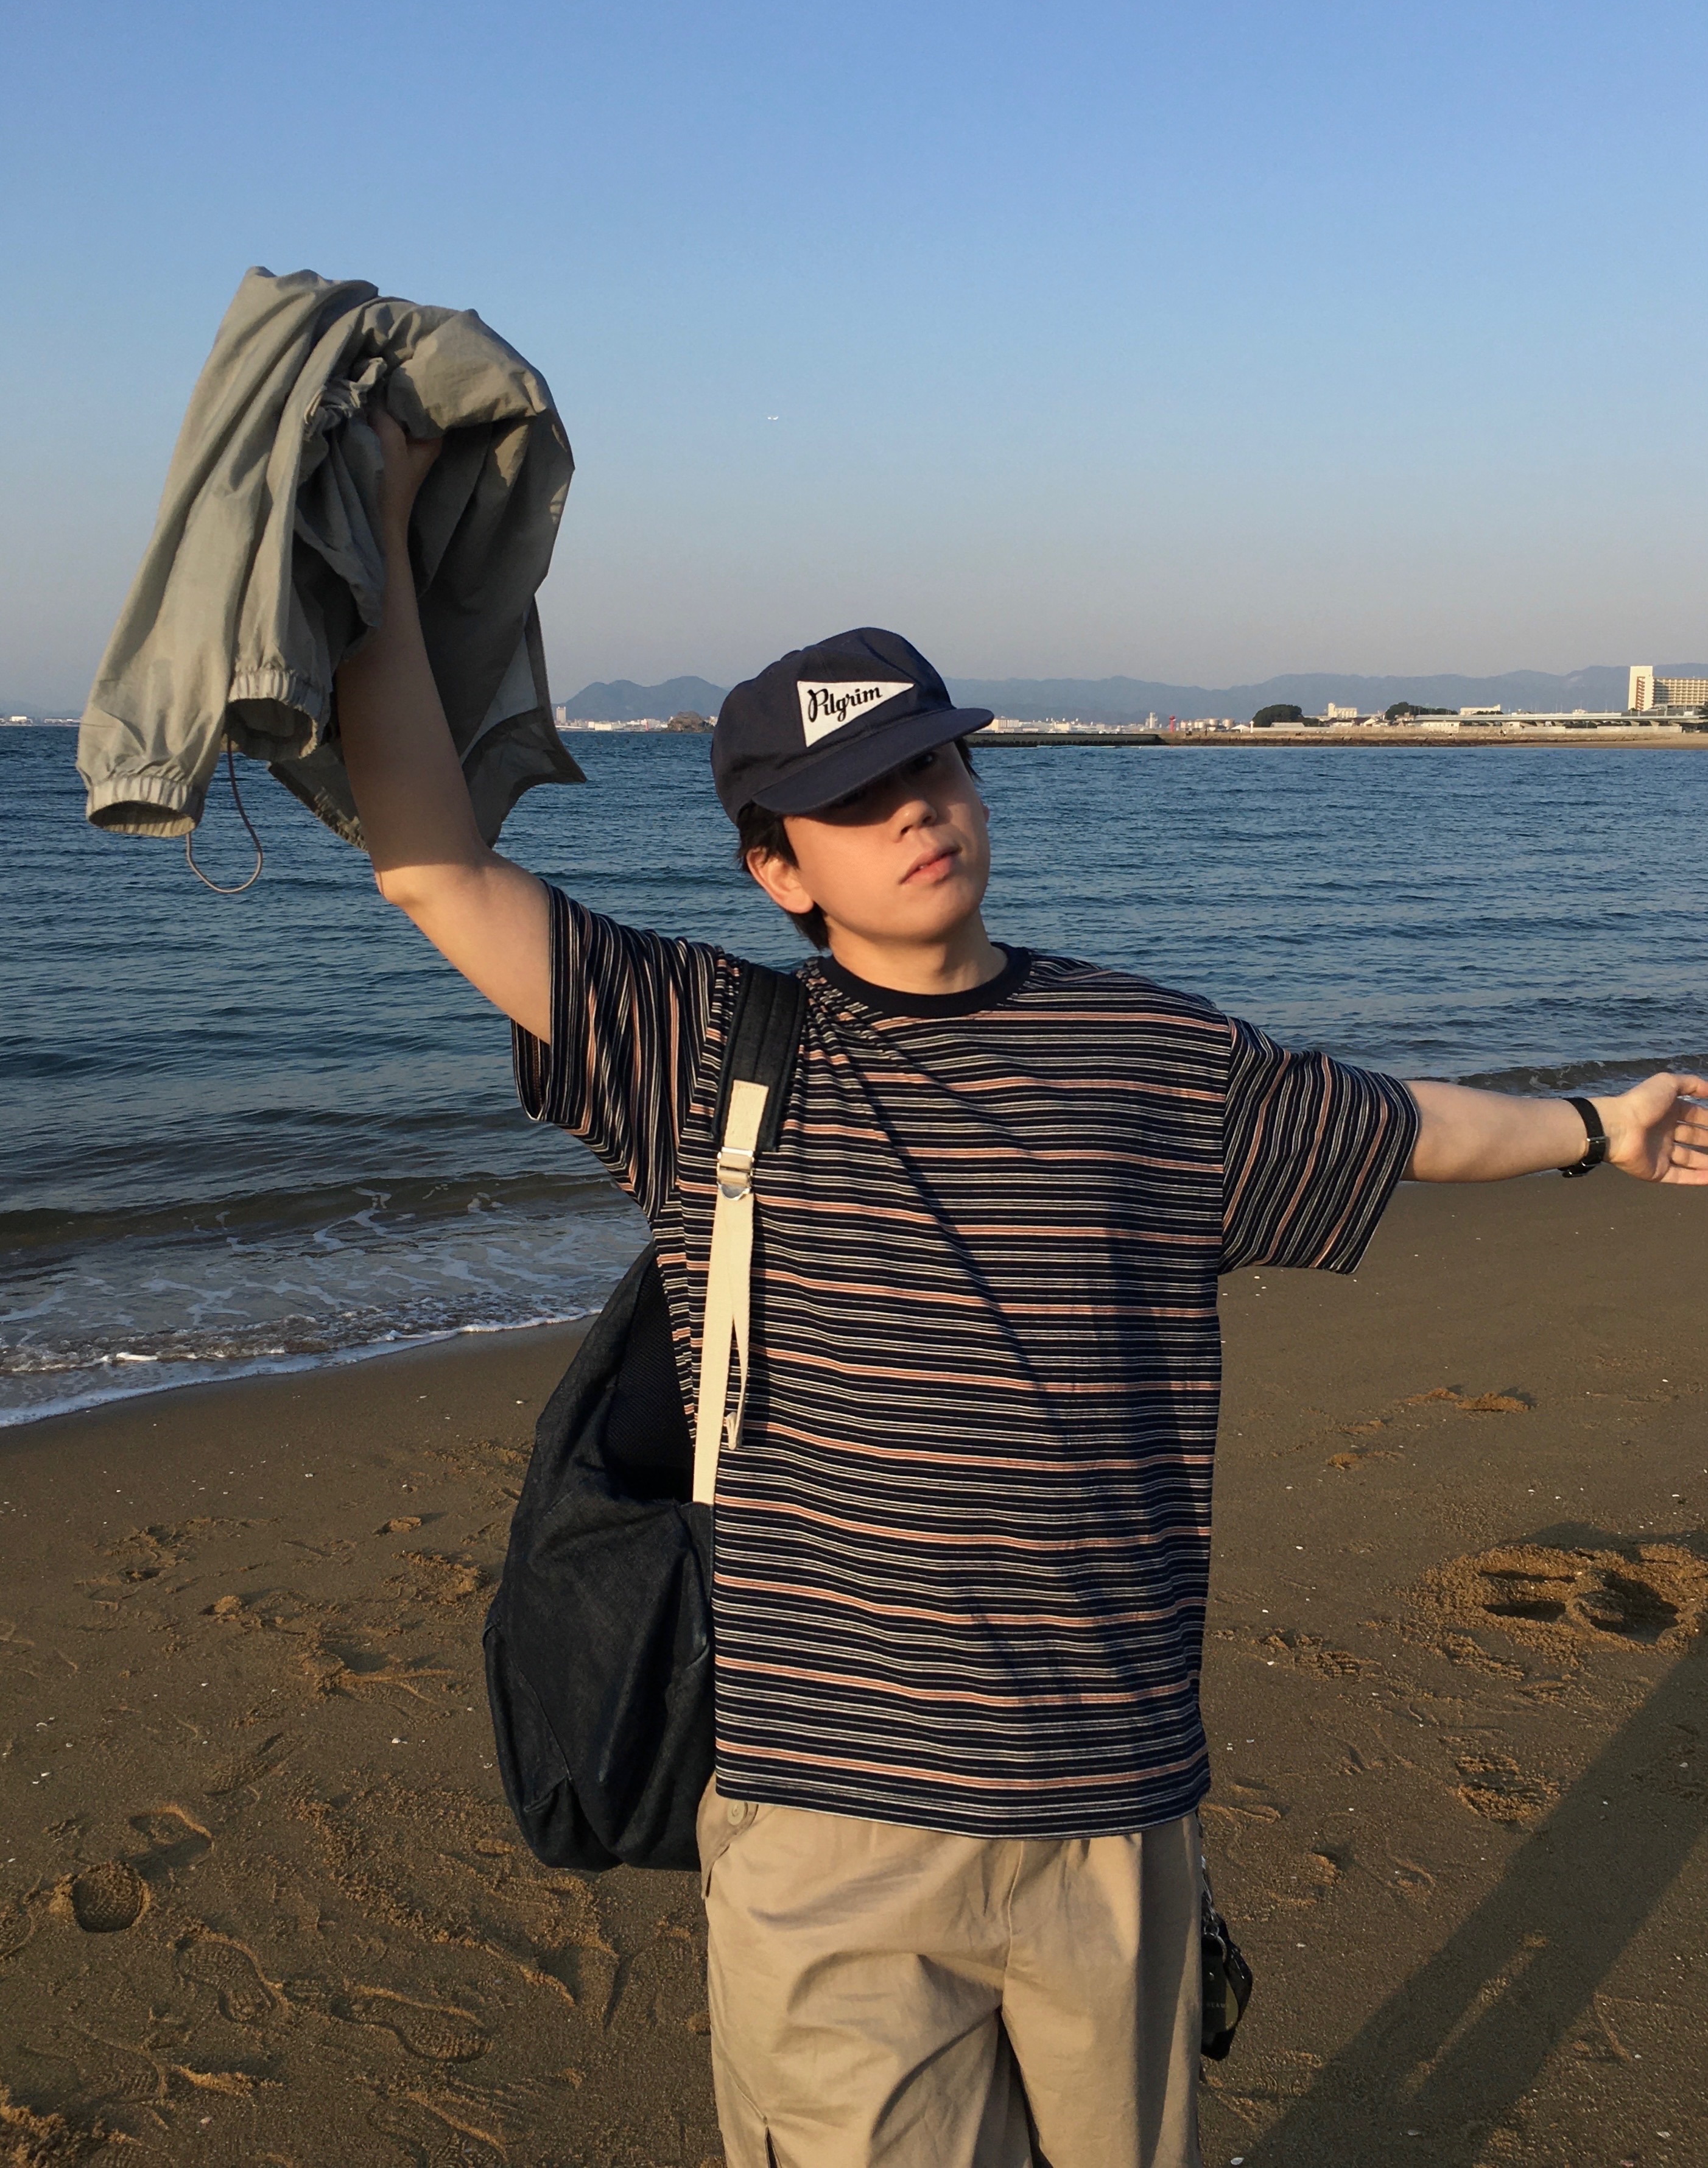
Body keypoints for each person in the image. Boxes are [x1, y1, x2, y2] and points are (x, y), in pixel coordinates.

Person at [337, 413, 1708, 2168]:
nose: (916, 808)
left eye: (936, 767)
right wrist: (380, 520)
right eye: (856, 797)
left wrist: (1595, 1127)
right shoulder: (703, 1049)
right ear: (778, 867)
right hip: (829, 1819)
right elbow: (432, 865)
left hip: (1112, 1807)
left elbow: (1394, 1124)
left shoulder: (1150, 1055)